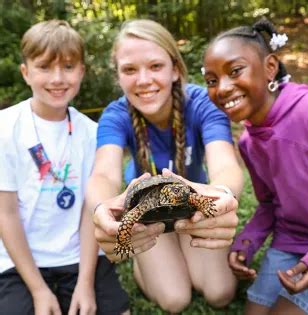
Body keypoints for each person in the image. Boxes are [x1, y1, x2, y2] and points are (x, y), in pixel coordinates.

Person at [87, 19, 243, 313]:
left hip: (193, 209)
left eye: (155, 66)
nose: (143, 80)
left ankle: (179, 250)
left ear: (176, 70)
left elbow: (225, 165)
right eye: (130, 70)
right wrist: (102, 209)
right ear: (118, 76)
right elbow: (104, 174)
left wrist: (222, 194)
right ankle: (145, 265)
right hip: (147, 217)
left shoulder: (202, 104)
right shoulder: (115, 115)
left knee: (220, 293)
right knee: (175, 300)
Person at [0, 20, 129, 315]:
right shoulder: (5, 128)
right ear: (26, 72)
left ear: (81, 71)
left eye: (68, 67)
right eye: (45, 66)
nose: (57, 78)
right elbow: (5, 213)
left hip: (79, 258)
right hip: (20, 263)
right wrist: (37, 289)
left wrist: (85, 283)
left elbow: (89, 208)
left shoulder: (93, 132)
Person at [202, 17, 308, 315]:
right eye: (211, 80)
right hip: (290, 241)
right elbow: (268, 203)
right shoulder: (249, 143)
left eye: (235, 71)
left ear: (270, 67)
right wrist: (247, 242)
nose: (222, 88)